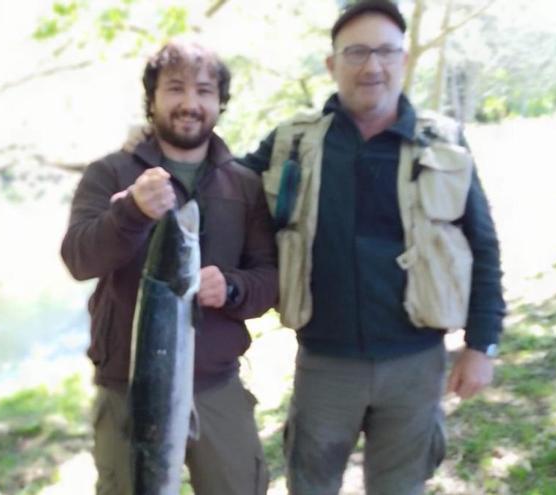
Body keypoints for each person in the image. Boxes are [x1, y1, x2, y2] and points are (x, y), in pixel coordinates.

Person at [239, 1, 506, 494]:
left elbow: (483, 246)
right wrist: (153, 159)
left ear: (404, 60)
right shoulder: (292, 142)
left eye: (386, 51)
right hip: (324, 365)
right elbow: (222, 185)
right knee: (311, 485)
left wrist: (481, 344)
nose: (372, 66)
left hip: (416, 364)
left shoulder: (443, 143)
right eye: (356, 52)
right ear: (331, 64)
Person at [61, 40, 277, 495]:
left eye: (203, 90)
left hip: (217, 386)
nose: (189, 103)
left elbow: (270, 280)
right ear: (152, 98)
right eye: (175, 88)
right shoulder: (111, 175)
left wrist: (234, 289)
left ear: (220, 102)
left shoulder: (244, 183)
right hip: (127, 394)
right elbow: (78, 258)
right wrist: (130, 213)